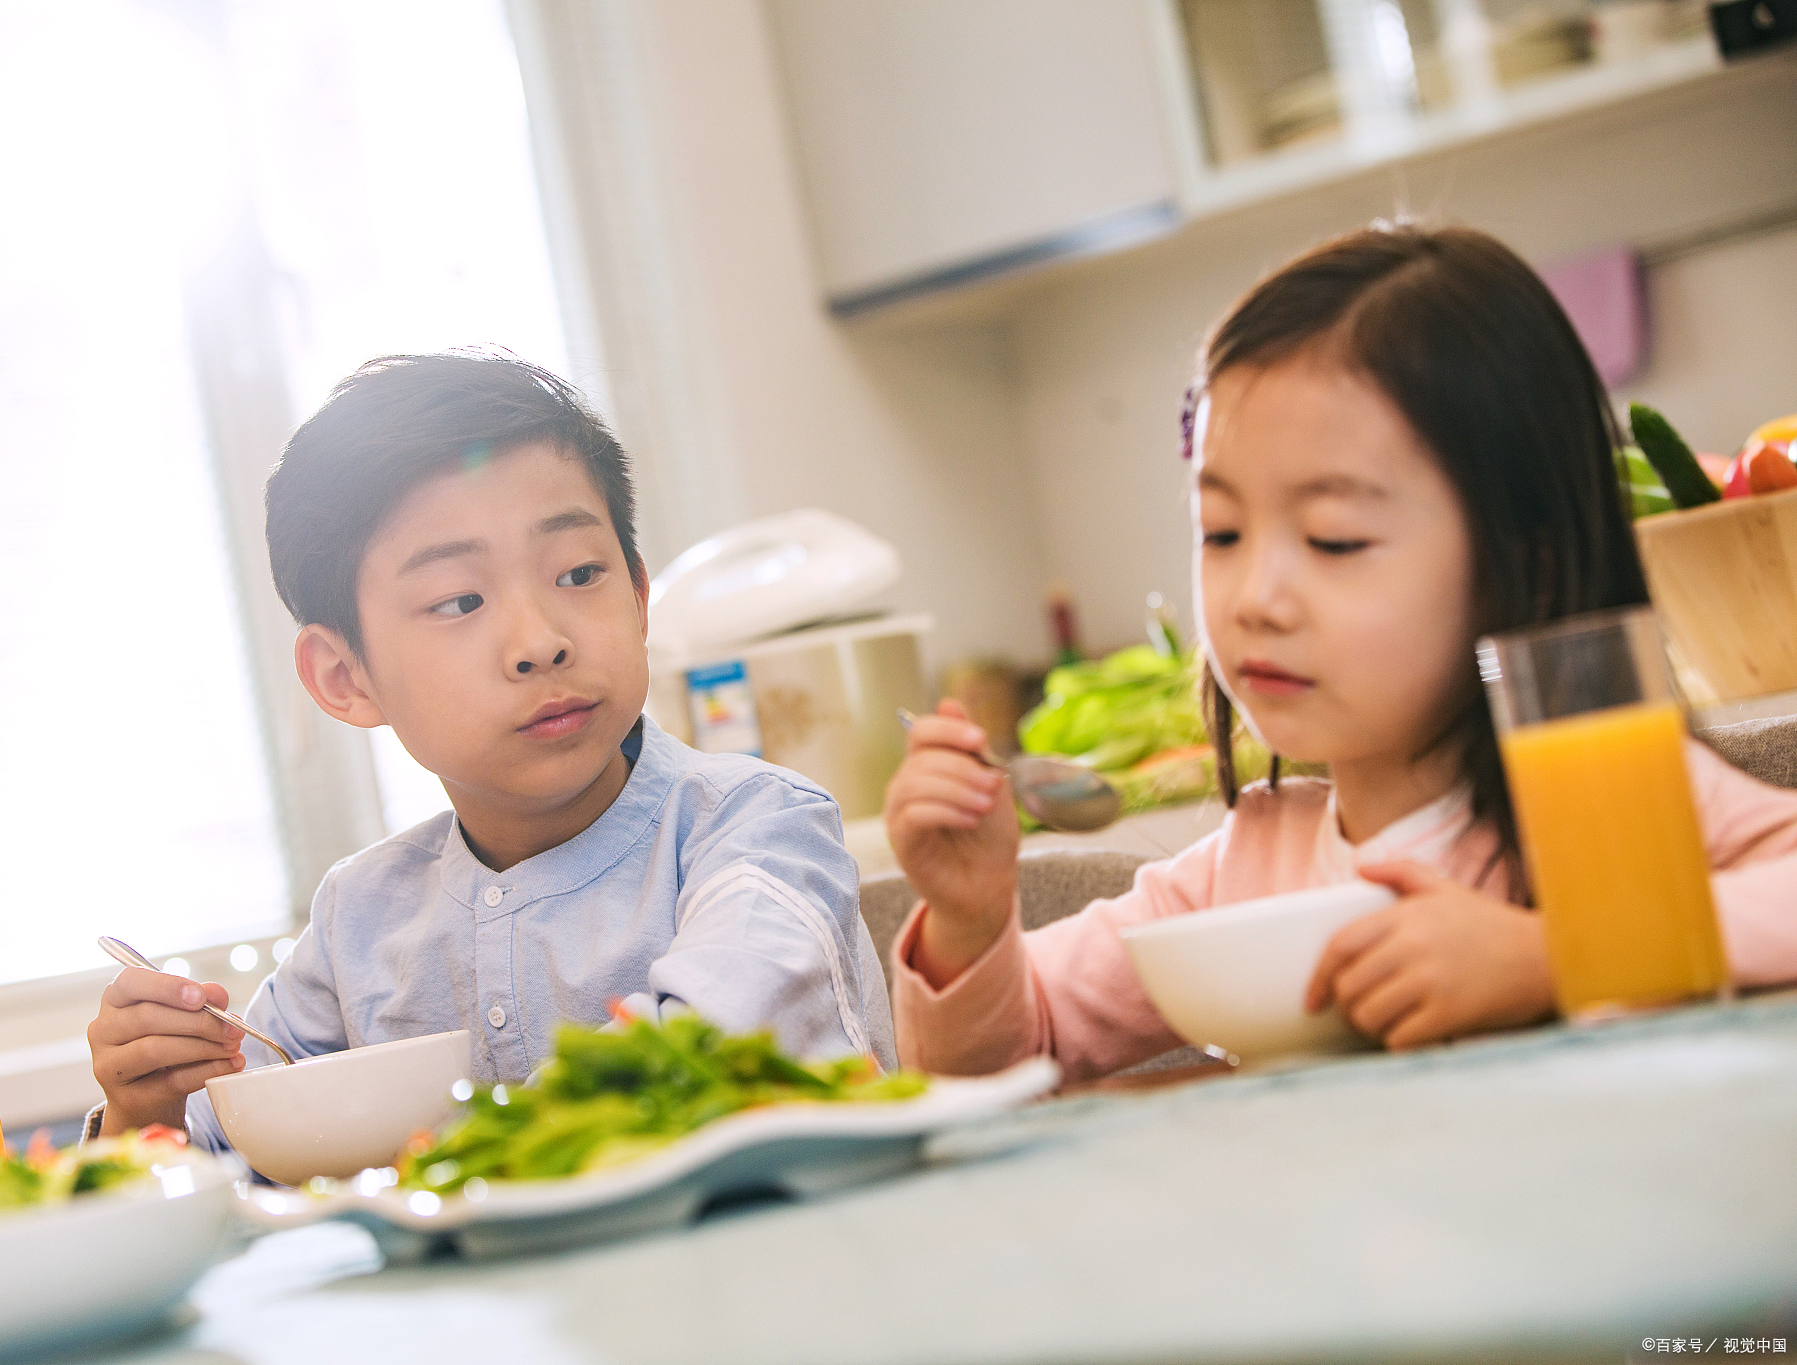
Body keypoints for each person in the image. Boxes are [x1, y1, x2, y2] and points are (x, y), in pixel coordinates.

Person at [886, 223, 1797, 1083]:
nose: (1255, 599)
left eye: (1334, 540)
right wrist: (968, 922)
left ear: (1523, 565)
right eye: (1223, 532)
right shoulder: (1243, 868)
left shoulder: (1613, 791)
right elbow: (1018, 1052)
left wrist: (1556, 953)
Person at [86, 352, 892, 1146]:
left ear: (640, 596)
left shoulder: (759, 832)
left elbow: (700, 1063)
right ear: (344, 676)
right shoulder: (357, 922)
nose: (539, 642)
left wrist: (428, 1139)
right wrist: (144, 1114)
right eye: (460, 599)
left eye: (578, 574)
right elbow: (236, 1146)